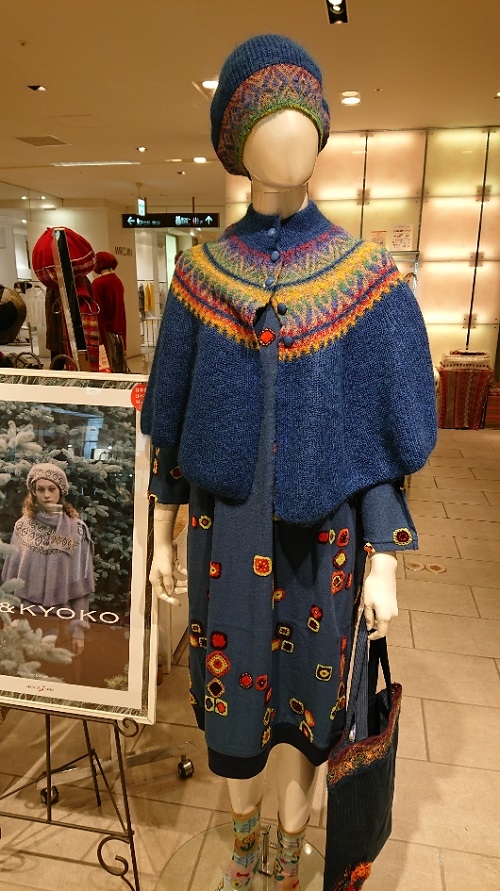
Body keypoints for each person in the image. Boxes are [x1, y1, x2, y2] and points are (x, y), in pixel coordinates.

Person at [141, 35, 437, 891]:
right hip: (225, 533)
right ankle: (244, 844)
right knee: (234, 694)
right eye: (269, 117)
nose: (290, 134)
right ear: (234, 139)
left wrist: (387, 555)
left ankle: (288, 840)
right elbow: (173, 419)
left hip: (326, 539)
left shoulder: (365, 280)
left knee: (312, 696)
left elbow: (382, 441)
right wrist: (161, 531)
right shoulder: (201, 275)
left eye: (304, 116)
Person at [2, 463, 94, 656]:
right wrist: (7, 621)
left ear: (60, 491)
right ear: (33, 492)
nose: (46, 495)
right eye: (40, 489)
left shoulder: (76, 530)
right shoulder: (22, 527)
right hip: (24, 620)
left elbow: (80, 589)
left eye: (52, 489)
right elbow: (10, 583)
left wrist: (79, 630)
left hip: (61, 622)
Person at [91, 251, 127, 350]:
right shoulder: (118, 282)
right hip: (119, 334)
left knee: (108, 359)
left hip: (106, 334)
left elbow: (98, 314)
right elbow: (122, 313)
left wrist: (101, 343)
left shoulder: (98, 284)